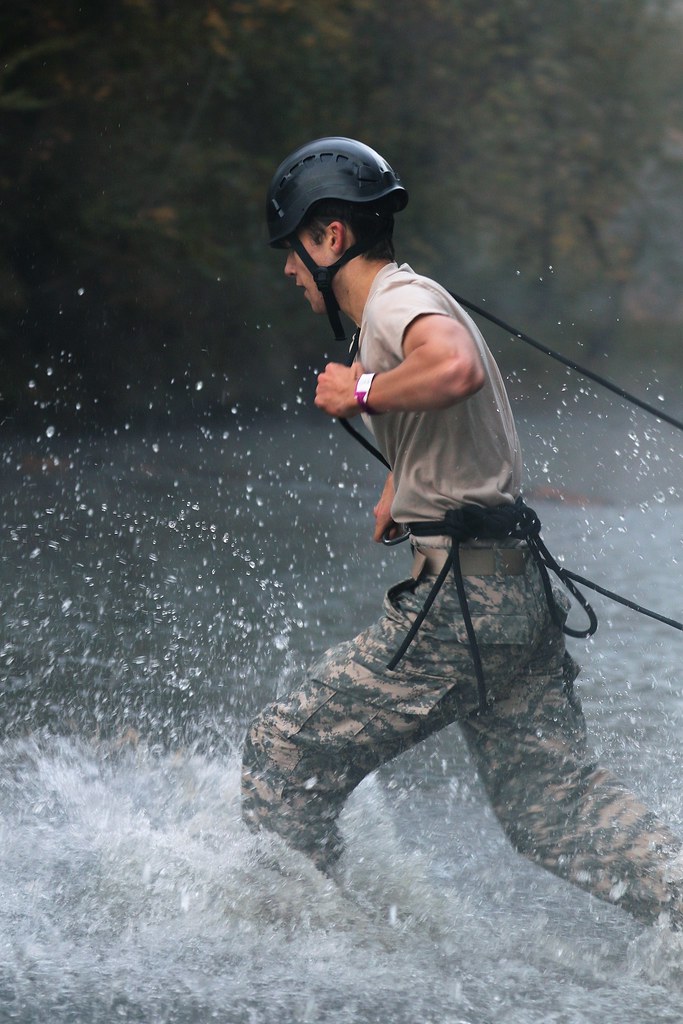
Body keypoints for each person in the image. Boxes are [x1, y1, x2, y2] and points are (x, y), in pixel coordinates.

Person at [241, 136, 683, 927]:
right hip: (509, 590)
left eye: (292, 248)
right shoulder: (410, 294)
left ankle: (302, 942)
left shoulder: (392, 305)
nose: (287, 270)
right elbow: (457, 416)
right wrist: (400, 484)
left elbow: (453, 371)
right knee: (553, 812)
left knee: (284, 751)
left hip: (462, 607)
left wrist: (361, 392)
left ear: (330, 237)